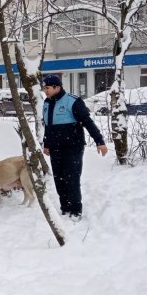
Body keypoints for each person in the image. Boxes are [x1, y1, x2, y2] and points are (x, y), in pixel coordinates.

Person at [41, 74, 108, 221]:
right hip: (55, 148)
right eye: (44, 88)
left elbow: (87, 122)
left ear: (57, 87)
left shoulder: (73, 101)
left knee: (71, 178)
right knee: (59, 179)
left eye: (47, 88)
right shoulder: (47, 103)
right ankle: (65, 208)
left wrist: (99, 141)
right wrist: (46, 145)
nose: (45, 91)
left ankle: (75, 211)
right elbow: (48, 126)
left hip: (73, 147)